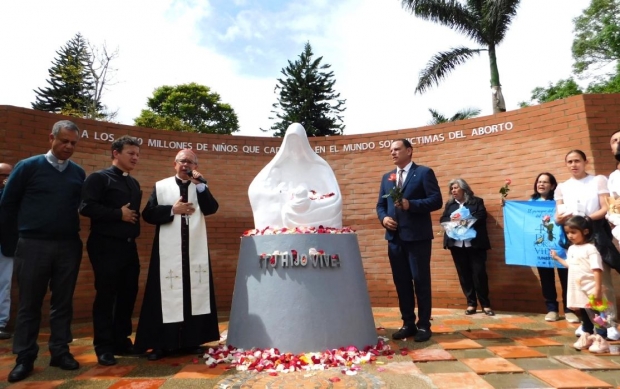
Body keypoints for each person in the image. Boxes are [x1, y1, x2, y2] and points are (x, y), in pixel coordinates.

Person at [0, 120, 85, 383]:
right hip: (32, 245)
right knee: (29, 304)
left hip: (68, 245)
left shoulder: (78, 173)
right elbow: (7, 205)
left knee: (62, 303)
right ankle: (25, 357)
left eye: (73, 143)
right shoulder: (28, 167)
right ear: (52, 138)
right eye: (64, 141)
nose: (68, 147)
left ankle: (60, 352)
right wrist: (15, 242)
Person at [134, 149, 220, 360]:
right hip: (167, 256)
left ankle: (190, 341)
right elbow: (148, 214)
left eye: (190, 162)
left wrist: (202, 187)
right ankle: (161, 344)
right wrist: (172, 210)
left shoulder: (200, 187)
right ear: (175, 164)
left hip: (193, 253)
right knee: (163, 296)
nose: (186, 165)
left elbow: (211, 209)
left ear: (195, 167)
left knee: (193, 294)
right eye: (182, 161)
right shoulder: (161, 186)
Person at [79, 136, 142, 366]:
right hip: (105, 246)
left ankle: (121, 340)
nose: (135, 158)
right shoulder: (98, 178)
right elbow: (86, 207)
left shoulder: (133, 183)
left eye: (137, 154)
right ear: (115, 153)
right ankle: (103, 346)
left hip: (128, 246)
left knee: (128, 293)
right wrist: (118, 214)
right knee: (106, 296)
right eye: (130, 153)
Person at [376, 139, 442, 342]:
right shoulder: (388, 177)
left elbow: (436, 200)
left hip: (417, 238)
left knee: (420, 281)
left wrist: (410, 204)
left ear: (409, 151)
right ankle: (408, 323)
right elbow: (380, 205)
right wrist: (384, 218)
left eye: (397, 149)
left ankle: (424, 325)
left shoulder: (423, 173)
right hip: (395, 239)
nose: (393, 153)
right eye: (391, 150)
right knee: (401, 282)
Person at [554, 149, 619, 341]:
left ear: (585, 162)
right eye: (570, 162)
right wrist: (559, 219)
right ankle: (587, 324)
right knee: (579, 282)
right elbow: (559, 215)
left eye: (577, 161)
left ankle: (610, 323)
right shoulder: (561, 187)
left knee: (602, 282)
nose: (573, 165)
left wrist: (585, 221)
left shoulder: (598, 180)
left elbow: (606, 207)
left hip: (595, 233)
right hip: (573, 237)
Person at [550, 216, 612, 353]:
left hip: (590, 288)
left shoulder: (590, 249)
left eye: (573, 232)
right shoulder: (572, 249)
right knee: (584, 315)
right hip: (578, 290)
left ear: (585, 231)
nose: (570, 235)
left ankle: (601, 340)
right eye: (567, 232)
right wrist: (558, 258)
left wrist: (597, 289)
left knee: (597, 316)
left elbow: (597, 269)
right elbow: (570, 266)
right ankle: (587, 336)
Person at [439, 178, 493, 316]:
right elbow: (443, 219)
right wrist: (451, 222)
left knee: (479, 273)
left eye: (456, 188)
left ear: (464, 189)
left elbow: (481, 216)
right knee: (464, 274)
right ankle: (471, 304)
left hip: (474, 244)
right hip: (457, 245)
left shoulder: (476, 201)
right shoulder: (450, 205)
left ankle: (485, 304)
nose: (453, 191)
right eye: (452, 189)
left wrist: (464, 221)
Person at [529, 172, 578, 323]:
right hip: (541, 246)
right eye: (539, 181)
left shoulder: (559, 202)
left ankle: (569, 310)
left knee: (566, 278)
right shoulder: (530, 204)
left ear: (553, 186)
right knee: (546, 278)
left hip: (561, 246)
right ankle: (552, 309)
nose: (541, 184)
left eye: (545, 182)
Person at [0, 162, 14, 340]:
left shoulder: (12, 195)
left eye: (9, 175)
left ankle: (1, 323)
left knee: (4, 284)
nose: (6, 179)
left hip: (6, 245)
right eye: (3, 175)